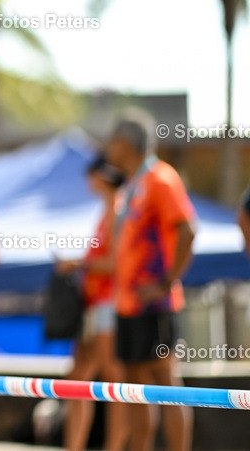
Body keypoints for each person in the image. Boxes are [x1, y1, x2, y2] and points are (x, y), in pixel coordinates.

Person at [104, 109, 196, 451]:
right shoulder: (131, 186)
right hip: (127, 305)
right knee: (133, 386)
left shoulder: (160, 178)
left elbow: (188, 229)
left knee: (167, 385)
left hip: (155, 304)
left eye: (112, 141)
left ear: (126, 143)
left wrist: (165, 283)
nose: (107, 149)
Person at [56, 155, 128, 451]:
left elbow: (115, 263)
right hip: (97, 304)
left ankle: (112, 446)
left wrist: (77, 264)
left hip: (108, 305)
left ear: (102, 176)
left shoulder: (118, 209)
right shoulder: (109, 209)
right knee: (82, 379)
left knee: (112, 380)